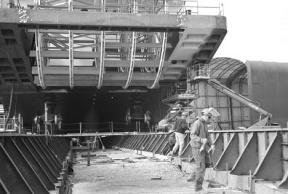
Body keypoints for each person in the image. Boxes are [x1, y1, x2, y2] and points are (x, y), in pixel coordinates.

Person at [187, 107, 220, 191]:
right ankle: (198, 188)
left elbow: (207, 135)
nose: (210, 119)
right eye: (209, 117)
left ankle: (193, 176)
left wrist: (211, 144)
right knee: (201, 167)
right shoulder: (197, 123)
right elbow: (192, 136)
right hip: (197, 147)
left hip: (203, 147)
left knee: (207, 163)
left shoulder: (204, 124)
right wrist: (201, 140)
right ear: (205, 116)